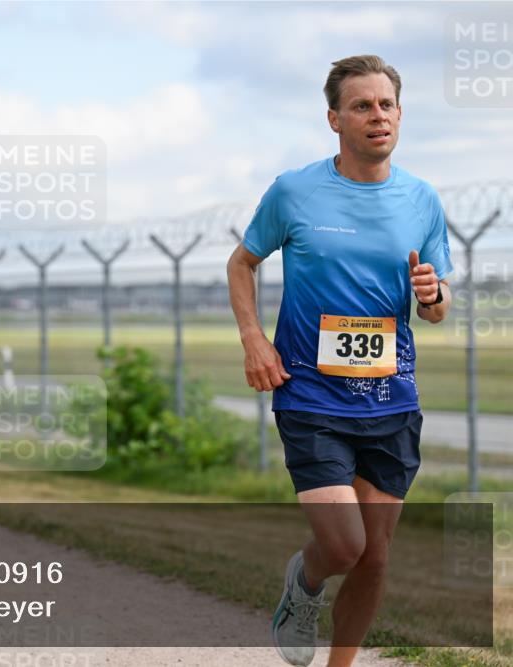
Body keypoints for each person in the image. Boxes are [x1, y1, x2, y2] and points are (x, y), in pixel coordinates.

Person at [226, 55, 452, 667]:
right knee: (345, 545)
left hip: (392, 400)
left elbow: (435, 306)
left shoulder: (421, 199)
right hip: (311, 398)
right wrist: (254, 338)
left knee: (375, 555)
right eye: (361, 105)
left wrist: (433, 295)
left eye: (385, 105)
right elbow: (242, 264)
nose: (376, 115)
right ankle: (304, 583)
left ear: (400, 115)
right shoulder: (295, 190)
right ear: (335, 119)